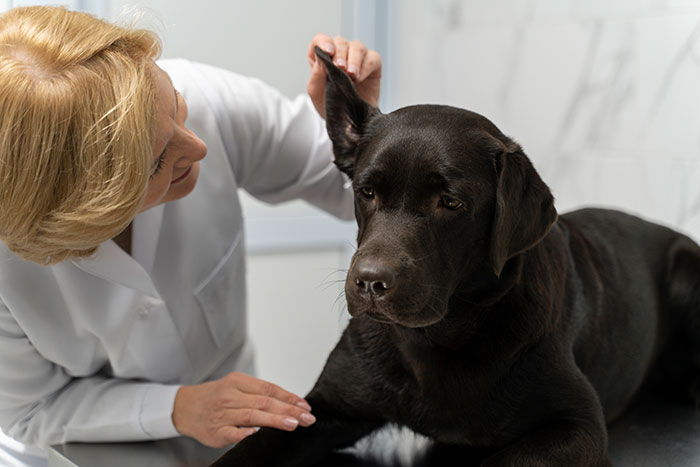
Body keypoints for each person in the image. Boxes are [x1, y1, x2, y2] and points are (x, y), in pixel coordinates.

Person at [0, 5, 382, 466]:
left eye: (177, 106)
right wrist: (177, 408)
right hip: (80, 450)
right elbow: (30, 409)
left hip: (232, 435)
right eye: (159, 161)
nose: (197, 146)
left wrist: (359, 131)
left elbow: (352, 194)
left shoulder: (208, 101)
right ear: (85, 211)